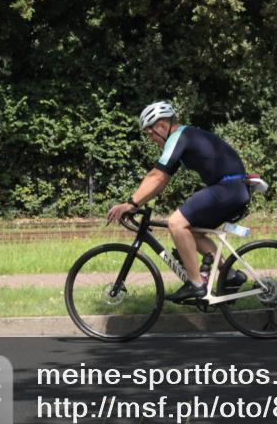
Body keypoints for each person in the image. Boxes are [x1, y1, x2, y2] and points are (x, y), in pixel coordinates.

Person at [106, 101, 250, 301]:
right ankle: (230, 275)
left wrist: (131, 204)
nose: (151, 139)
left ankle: (196, 283)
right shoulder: (185, 138)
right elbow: (159, 178)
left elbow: (157, 177)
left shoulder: (178, 137)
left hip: (228, 188)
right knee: (190, 229)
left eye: (150, 133)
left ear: (162, 126)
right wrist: (136, 201)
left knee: (176, 223)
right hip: (232, 189)